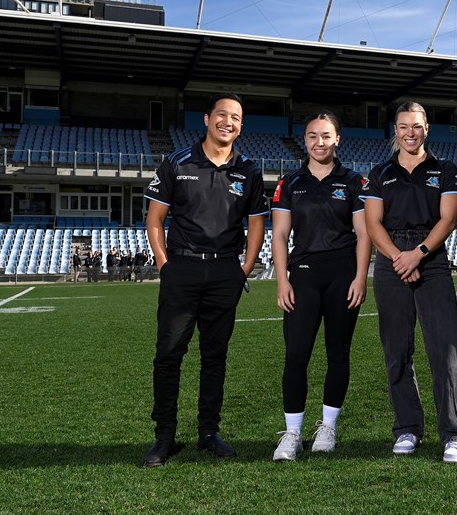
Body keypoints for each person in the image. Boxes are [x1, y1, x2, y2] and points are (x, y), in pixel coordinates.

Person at [142, 92, 269, 467]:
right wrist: (165, 264)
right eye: (222, 115)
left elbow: (258, 220)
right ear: (207, 119)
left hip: (224, 272)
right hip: (181, 269)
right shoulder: (177, 162)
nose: (228, 122)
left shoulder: (248, 169)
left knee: (215, 356)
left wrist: (245, 267)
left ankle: (208, 431)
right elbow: (154, 219)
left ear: (241, 126)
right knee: (169, 355)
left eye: (236, 118)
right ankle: (164, 437)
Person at [362, 102, 457, 463]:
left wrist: (418, 253)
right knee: (397, 352)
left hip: (432, 260)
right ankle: (407, 427)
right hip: (391, 258)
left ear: (427, 130)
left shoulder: (446, 169)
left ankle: (454, 434)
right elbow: (373, 223)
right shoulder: (379, 173)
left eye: (417, 126)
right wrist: (398, 257)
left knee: (446, 349)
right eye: (404, 126)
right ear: (396, 130)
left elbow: (448, 218)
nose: (411, 133)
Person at [270, 111, 371, 461]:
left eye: (326, 135)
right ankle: (292, 433)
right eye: (313, 135)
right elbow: (280, 235)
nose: (319, 142)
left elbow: (363, 234)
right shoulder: (290, 181)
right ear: (305, 140)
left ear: (337, 139)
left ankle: (328, 427)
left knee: (337, 354)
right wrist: (282, 280)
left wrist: (361, 277)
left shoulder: (355, 181)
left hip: (343, 276)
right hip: (304, 275)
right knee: (296, 355)